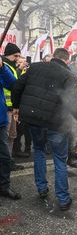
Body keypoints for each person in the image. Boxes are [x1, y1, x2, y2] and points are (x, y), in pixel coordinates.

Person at [12, 48, 77, 210]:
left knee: (38, 151)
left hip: (33, 119)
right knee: (59, 158)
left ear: (53, 58)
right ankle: (63, 199)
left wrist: (16, 107)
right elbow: (73, 105)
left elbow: (17, 86)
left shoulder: (36, 67)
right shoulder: (69, 76)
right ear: (67, 61)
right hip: (55, 123)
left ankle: (42, 188)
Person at [0, 56, 21, 200]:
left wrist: (2, 67)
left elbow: (13, 84)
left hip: (0, 121)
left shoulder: (2, 67)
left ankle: (4, 187)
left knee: (4, 157)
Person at [2, 43, 24, 170]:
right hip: (4, 109)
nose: (18, 58)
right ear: (8, 55)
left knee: (11, 137)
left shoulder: (12, 67)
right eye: (16, 55)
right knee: (4, 139)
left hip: (12, 109)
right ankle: (5, 162)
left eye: (19, 56)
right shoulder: (3, 66)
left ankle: (8, 161)